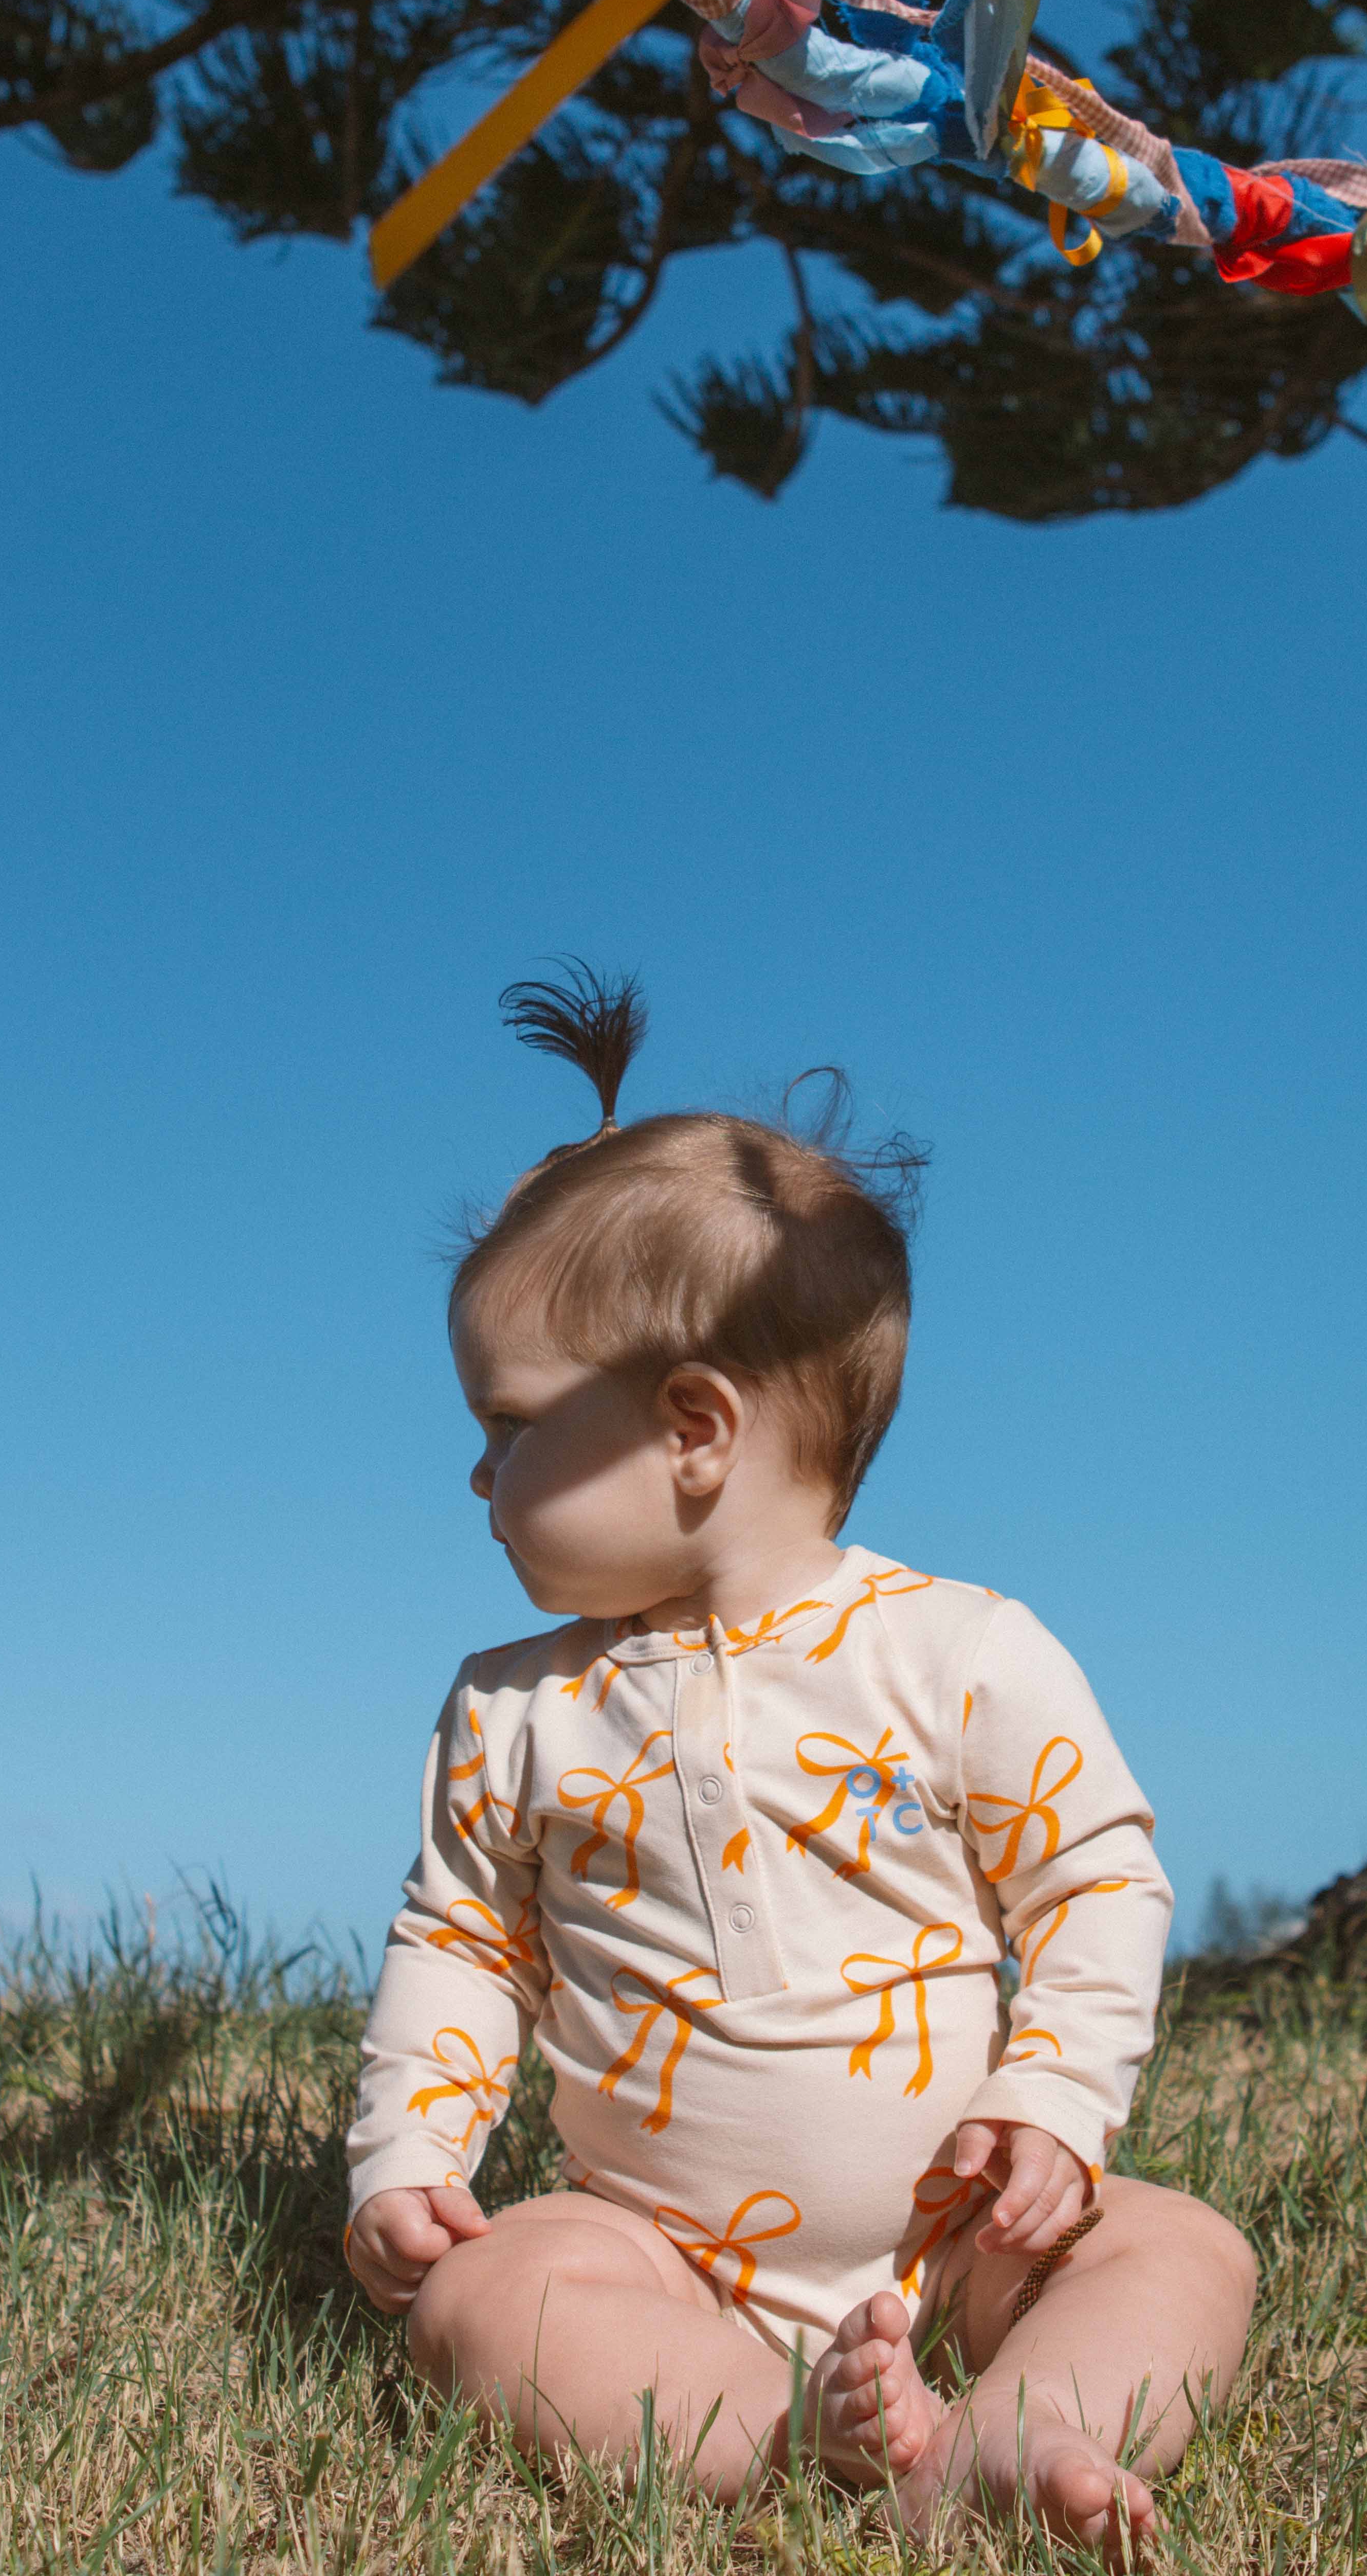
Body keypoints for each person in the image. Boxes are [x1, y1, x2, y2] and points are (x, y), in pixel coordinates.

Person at [344, 965, 1255, 2561]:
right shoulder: (516, 1709)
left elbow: (1096, 1880)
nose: (477, 1473)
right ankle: (784, 2439)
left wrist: (1056, 2095)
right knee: (486, 2301)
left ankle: (995, 2437)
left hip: (961, 2233)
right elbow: (462, 1948)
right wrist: (408, 2156)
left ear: (693, 1428)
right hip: (655, 2249)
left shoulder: (959, 1653)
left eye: (510, 1424)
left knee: (1185, 2251)